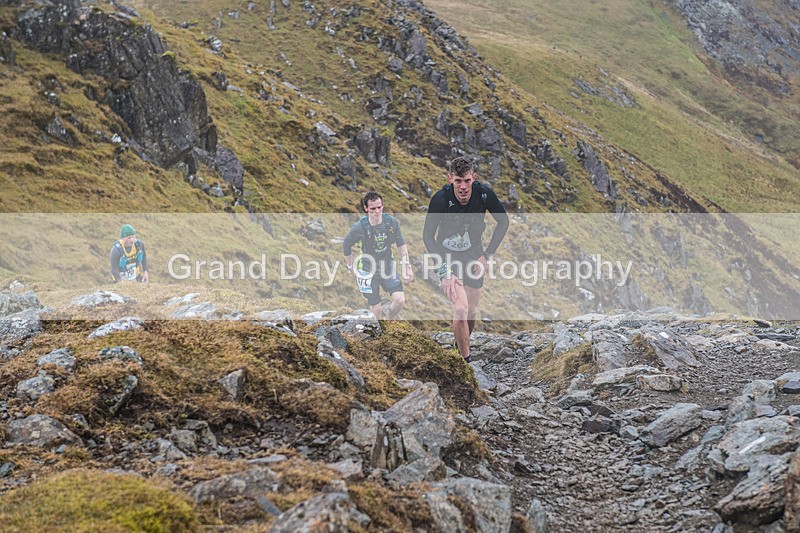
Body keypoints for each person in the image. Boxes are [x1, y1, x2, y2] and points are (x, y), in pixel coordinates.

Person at [423, 156, 509, 361]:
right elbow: (427, 236)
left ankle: (459, 346)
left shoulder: (484, 194)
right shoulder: (440, 199)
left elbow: (503, 222)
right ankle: (465, 361)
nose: (463, 187)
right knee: (460, 310)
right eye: (458, 181)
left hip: (474, 254)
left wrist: (486, 256)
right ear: (450, 179)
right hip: (447, 256)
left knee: (471, 311)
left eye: (467, 181)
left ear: (474, 178)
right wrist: (444, 270)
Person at [343, 192, 413, 319]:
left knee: (399, 300)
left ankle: (389, 320)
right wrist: (350, 267)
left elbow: (401, 244)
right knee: (376, 310)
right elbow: (346, 245)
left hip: (387, 268)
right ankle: (378, 332)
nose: (377, 211)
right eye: (373, 208)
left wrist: (407, 266)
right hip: (368, 271)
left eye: (379, 207)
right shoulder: (359, 227)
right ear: (366, 209)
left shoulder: (391, 222)